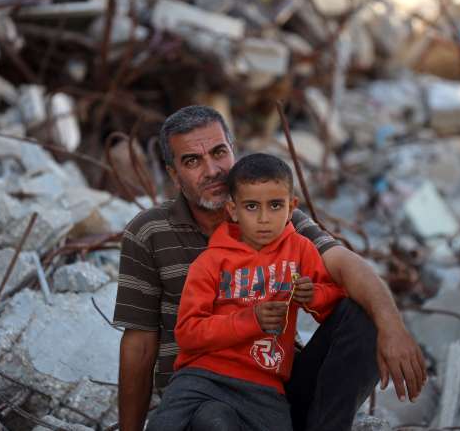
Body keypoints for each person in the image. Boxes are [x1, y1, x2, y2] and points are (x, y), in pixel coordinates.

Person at [113, 105, 426, 431]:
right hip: (201, 393)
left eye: (219, 152)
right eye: (192, 161)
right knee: (214, 421)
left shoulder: (276, 219)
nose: (212, 170)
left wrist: (392, 326)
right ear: (174, 175)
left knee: (366, 312)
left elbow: (345, 265)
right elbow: (140, 343)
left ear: (233, 151)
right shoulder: (149, 232)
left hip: (269, 387)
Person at [146, 153, 347, 431]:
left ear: (291, 207)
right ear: (232, 210)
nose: (264, 219)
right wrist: (251, 320)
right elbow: (188, 332)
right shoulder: (210, 262)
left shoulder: (300, 250)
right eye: (251, 206)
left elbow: (333, 300)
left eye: (275, 205)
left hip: (264, 384)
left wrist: (312, 296)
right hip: (202, 376)